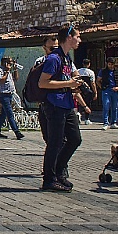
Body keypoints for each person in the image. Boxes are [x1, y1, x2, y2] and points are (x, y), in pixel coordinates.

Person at [38, 25, 84, 192]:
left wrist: (75, 83)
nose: (79, 40)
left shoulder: (67, 58)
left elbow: (68, 77)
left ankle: (59, 171)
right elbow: (43, 83)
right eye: (77, 36)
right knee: (55, 142)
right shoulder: (54, 58)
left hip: (67, 103)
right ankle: (49, 179)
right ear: (69, 37)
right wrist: (68, 83)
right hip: (54, 104)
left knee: (75, 139)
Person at [0, 57, 24, 140]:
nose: (11, 64)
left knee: (3, 114)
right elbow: (1, 81)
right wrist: (6, 71)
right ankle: (17, 132)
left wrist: (15, 70)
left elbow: (16, 78)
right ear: (4, 63)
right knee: (10, 114)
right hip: (3, 95)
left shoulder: (9, 71)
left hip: (10, 94)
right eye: (9, 62)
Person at [98, 58, 118, 130]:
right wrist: (102, 88)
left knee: (115, 107)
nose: (111, 66)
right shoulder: (103, 71)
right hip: (106, 90)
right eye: (109, 64)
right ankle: (105, 123)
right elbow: (98, 80)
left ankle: (114, 122)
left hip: (115, 91)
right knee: (106, 106)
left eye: (112, 64)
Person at [76, 59, 97, 125]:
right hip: (88, 90)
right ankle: (87, 119)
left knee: (80, 102)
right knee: (87, 103)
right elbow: (92, 82)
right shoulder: (91, 72)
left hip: (79, 90)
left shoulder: (78, 71)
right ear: (89, 64)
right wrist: (95, 92)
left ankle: (79, 113)